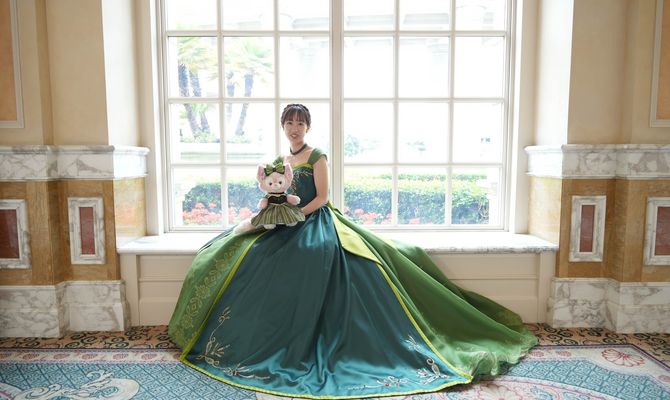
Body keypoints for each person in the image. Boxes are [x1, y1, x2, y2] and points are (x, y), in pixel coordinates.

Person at [169, 104, 537, 399]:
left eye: (300, 123)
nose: (295, 128)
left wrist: (296, 215)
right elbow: (274, 190)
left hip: (313, 218)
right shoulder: (280, 160)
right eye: (290, 123)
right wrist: (275, 213)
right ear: (282, 126)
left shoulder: (317, 156)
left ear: (307, 127)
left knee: (316, 252)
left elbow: (322, 198)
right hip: (285, 220)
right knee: (247, 252)